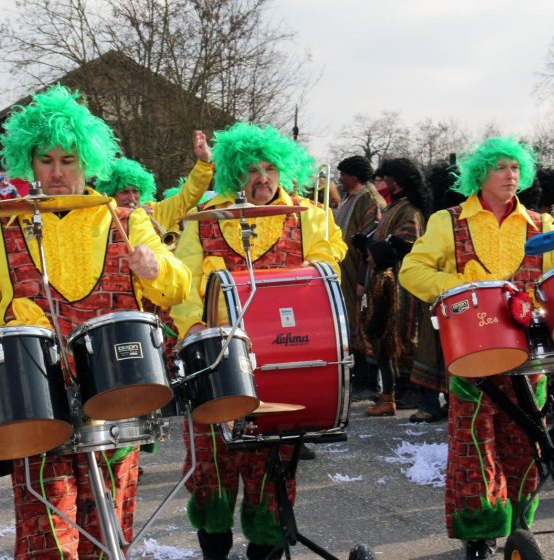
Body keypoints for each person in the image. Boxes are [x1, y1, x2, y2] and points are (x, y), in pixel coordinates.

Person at [0, 85, 191, 560]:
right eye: (45, 160)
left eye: (68, 160)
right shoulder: (2, 226)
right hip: (36, 404)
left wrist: (156, 269)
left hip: (117, 397)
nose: (56, 173)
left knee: (109, 533)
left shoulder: (124, 220)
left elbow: (178, 287)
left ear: (88, 162)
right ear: (28, 162)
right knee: (50, 537)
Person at [170, 122, 346, 560]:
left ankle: (266, 547)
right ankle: (214, 543)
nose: (262, 177)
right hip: (218, 359)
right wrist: (192, 326)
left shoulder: (310, 216)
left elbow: (327, 270)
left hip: (285, 356)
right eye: (251, 169)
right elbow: (185, 284)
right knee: (212, 462)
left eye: (269, 167)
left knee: (274, 464)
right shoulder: (204, 221)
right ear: (234, 173)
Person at [399, 137, 554, 559]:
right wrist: (456, 287)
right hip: (471, 350)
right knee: (473, 444)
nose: (510, 175)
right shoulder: (450, 219)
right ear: (480, 174)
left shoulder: (541, 225)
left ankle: (520, 532)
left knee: (526, 444)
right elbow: (413, 269)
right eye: (500, 167)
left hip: (530, 354)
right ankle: (478, 534)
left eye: (515, 168)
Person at [370, 158, 432, 412]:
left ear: (397, 181)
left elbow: (413, 246)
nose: (383, 183)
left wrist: (393, 246)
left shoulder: (409, 210)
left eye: (386, 178)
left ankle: (412, 390)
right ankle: (393, 390)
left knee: (405, 333)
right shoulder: (394, 206)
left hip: (404, 284)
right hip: (386, 281)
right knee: (387, 333)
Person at [334, 155, 386, 401]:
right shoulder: (348, 199)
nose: (340, 179)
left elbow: (372, 243)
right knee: (351, 329)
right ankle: (356, 380)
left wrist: (363, 280)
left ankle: (368, 383)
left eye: (343, 174)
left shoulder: (370, 200)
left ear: (353, 176)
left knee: (364, 328)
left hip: (361, 278)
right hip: (345, 276)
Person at [362, 241, 401, 416]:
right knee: (384, 363)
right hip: (382, 329)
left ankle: (387, 401)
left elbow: (382, 306)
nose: (367, 258)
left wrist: (372, 327)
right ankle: (386, 397)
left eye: (370, 255)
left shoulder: (384, 277)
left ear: (378, 258)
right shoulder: (381, 275)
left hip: (383, 331)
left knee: (385, 364)